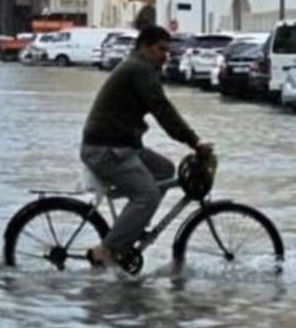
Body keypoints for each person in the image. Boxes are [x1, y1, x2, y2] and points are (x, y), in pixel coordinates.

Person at [79, 25, 211, 267]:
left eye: (168, 51)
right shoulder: (140, 69)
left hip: (121, 146)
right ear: (144, 48)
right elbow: (163, 111)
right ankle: (106, 250)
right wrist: (195, 141)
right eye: (161, 49)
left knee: (164, 169)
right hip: (106, 149)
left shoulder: (138, 67)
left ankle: (134, 225)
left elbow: (163, 110)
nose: (166, 55)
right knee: (147, 195)